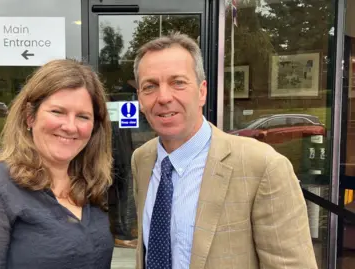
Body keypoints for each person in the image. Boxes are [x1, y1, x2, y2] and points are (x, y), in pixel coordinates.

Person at [130, 33, 318, 269]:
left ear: (201, 91)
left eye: (178, 82)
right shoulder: (142, 160)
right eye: (150, 86)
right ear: (140, 98)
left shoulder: (263, 166)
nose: (164, 97)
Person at [0, 59, 114, 269]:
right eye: (57, 112)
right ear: (29, 116)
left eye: (83, 116)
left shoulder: (90, 189)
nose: (70, 127)